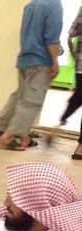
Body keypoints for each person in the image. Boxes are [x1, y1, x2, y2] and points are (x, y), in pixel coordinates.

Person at [0, 0, 63, 151]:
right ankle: (9, 136)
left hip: (25, 59)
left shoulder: (32, 4)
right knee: (31, 101)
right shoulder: (54, 5)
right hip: (41, 60)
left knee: (20, 96)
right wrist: (55, 60)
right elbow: (52, 38)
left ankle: (1, 126)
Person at [59, 6, 82, 159]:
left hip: (80, 65)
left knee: (79, 96)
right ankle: (80, 148)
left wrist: (75, 56)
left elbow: (69, 37)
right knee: (79, 96)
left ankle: (64, 116)